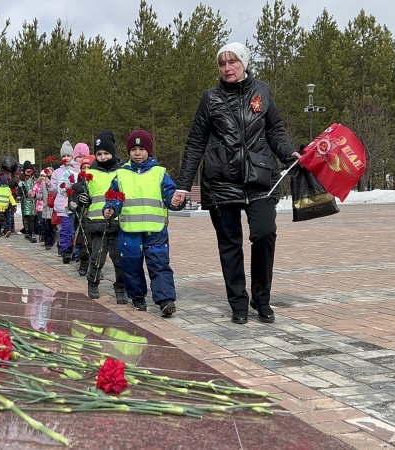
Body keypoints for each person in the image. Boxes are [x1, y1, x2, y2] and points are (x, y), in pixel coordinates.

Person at [172, 42, 301, 325]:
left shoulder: (263, 91)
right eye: (222, 63)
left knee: (264, 234)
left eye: (233, 62)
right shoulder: (210, 98)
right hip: (221, 182)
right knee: (229, 244)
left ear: (244, 63)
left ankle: (262, 299)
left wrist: (289, 151)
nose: (227, 68)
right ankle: (238, 302)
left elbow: (275, 130)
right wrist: (183, 185)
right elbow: (195, 142)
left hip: (260, 179)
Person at [103, 130, 185, 317]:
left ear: (149, 151)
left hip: (155, 231)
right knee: (131, 265)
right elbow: (114, 197)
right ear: (129, 152)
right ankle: (138, 296)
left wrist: (174, 200)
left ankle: (165, 300)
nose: (137, 153)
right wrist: (111, 208)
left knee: (159, 264)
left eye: (141, 149)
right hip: (129, 231)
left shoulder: (160, 173)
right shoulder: (120, 174)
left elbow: (169, 194)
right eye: (133, 149)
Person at [74, 130, 126, 302]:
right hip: (97, 224)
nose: (103, 157)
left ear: (113, 152)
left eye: (106, 153)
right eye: (99, 154)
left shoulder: (122, 172)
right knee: (97, 258)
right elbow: (80, 196)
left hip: (119, 223)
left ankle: (120, 287)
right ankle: (93, 282)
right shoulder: (90, 174)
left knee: (120, 260)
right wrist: (81, 200)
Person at [18, 161, 38, 242]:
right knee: (27, 216)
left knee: (32, 217)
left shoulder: (35, 179)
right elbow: (20, 193)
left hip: (34, 200)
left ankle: (31, 232)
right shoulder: (22, 181)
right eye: (27, 170)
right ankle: (28, 232)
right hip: (26, 201)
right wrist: (21, 187)